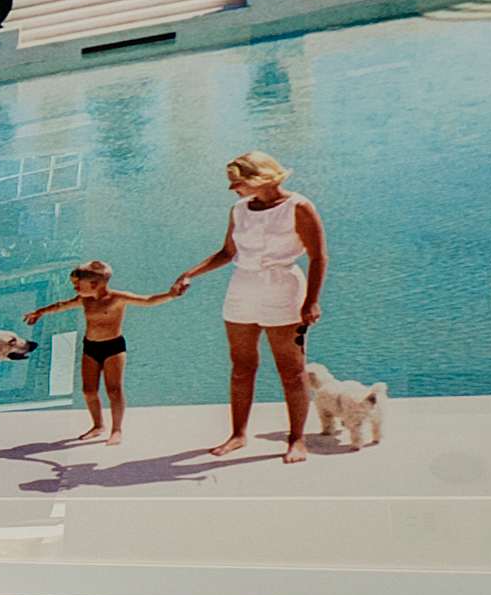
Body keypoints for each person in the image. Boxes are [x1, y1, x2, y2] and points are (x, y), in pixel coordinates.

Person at [163, 153, 329, 462]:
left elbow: (318, 257)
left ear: (257, 179)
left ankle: (296, 439)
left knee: (291, 372)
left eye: (235, 182)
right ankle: (238, 435)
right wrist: (189, 274)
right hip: (241, 289)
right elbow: (228, 252)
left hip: (284, 290)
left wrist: (312, 301)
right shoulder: (239, 210)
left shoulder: (299, 207)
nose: (231, 189)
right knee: (241, 368)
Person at [22, 259, 177, 444]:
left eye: (77, 284)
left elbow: (148, 301)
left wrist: (171, 295)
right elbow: (61, 305)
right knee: (88, 391)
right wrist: (39, 312)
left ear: (94, 284)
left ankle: (116, 430)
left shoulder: (117, 298)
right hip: (91, 347)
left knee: (114, 390)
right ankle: (98, 426)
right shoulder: (84, 300)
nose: (74, 288)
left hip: (113, 347)